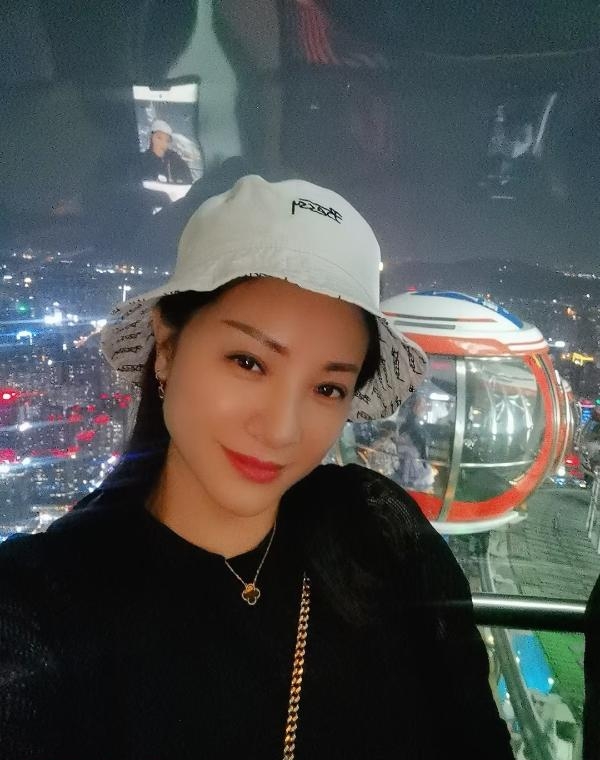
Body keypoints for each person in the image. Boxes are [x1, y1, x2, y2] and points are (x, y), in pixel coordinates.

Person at [0, 176, 514, 759]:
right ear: (166, 346)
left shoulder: (378, 534)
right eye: (248, 362)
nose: (281, 430)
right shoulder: (41, 610)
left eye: (327, 388)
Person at [140, 118, 193, 184]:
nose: (163, 143)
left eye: (167, 140)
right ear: (151, 138)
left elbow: (188, 180)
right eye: (159, 138)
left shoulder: (176, 160)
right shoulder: (142, 160)